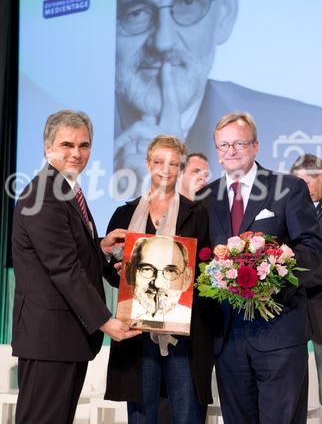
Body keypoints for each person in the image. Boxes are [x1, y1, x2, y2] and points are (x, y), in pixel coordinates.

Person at [114, 0, 322, 193]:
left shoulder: (303, 124)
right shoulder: (86, 139)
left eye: (188, 3)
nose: (162, 41)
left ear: (225, 12)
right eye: (137, 12)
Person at [11, 110, 140, 424]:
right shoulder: (44, 193)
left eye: (84, 145)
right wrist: (106, 322)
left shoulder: (64, 189)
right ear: (47, 147)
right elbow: (63, 268)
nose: (76, 153)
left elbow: (64, 251)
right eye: (67, 144)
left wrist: (100, 246)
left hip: (64, 338)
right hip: (50, 339)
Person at [199, 112, 322, 424]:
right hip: (228, 339)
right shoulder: (204, 197)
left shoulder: (288, 188)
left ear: (255, 146)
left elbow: (311, 247)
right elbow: (201, 257)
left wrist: (273, 275)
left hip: (279, 332)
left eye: (239, 143)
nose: (231, 151)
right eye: (223, 145)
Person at [104, 134, 214, 424]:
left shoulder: (198, 214)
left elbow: (206, 271)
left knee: (187, 414)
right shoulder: (124, 213)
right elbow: (110, 273)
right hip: (136, 335)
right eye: (158, 162)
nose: (165, 169)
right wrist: (120, 271)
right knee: (141, 416)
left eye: (173, 164)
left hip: (183, 335)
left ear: (180, 169)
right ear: (147, 163)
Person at [291, 154, 322, 424]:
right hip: (321, 316)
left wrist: (295, 279)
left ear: (321, 176)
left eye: (303, 184)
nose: (300, 192)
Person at [118, 235, 193, 329]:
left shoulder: (189, 319)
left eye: (170, 271)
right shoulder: (118, 317)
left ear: (186, 279)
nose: (158, 283)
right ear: (129, 273)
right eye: (147, 269)